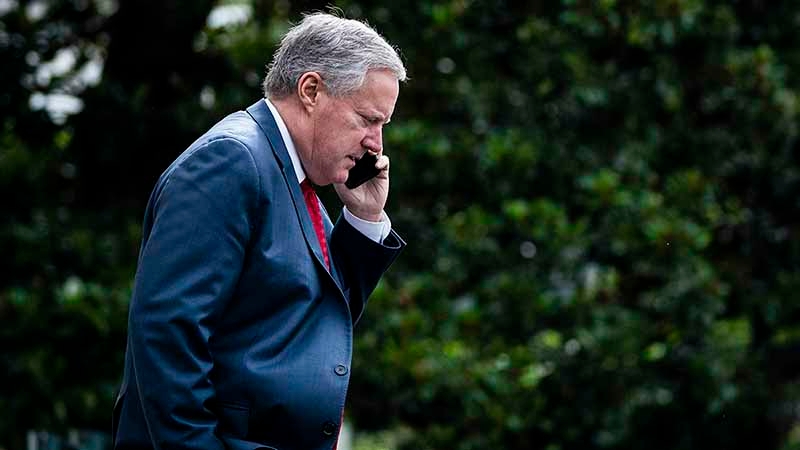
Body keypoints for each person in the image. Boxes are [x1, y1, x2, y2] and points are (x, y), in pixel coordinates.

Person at [112, 12, 407, 450]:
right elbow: (167, 334)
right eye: (368, 118)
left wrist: (364, 219)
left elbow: (321, 318)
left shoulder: (286, 170)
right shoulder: (232, 160)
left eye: (383, 124)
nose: (376, 143)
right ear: (311, 90)